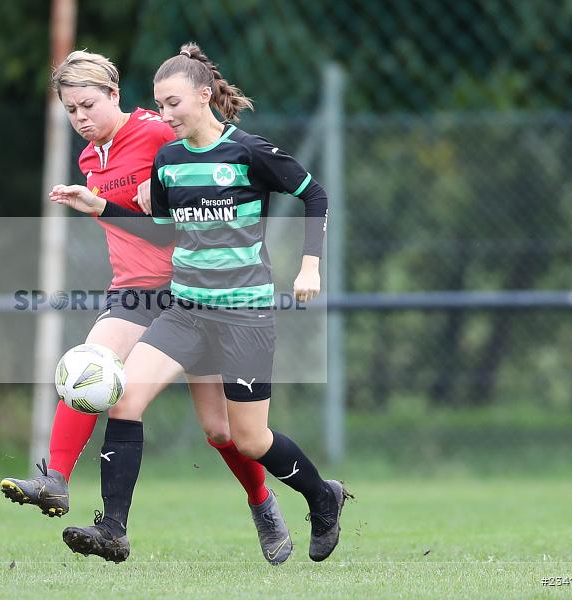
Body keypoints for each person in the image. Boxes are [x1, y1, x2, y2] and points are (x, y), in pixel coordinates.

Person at [51, 43, 349, 564]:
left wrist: (310, 265)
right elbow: (158, 231)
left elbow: (314, 194)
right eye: (159, 106)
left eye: (172, 104)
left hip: (244, 316)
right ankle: (113, 530)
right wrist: (100, 205)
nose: (164, 116)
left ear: (204, 96)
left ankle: (322, 496)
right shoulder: (168, 160)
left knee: (247, 439)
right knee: (123, 399)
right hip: (185, 311)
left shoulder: (248, 151)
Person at [0, 50, 294, 565]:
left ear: (115, 94)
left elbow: (207, 166)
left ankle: (262, 502)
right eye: (71, 110)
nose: (81, 118)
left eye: (89, 104)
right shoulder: (90, 160)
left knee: (221, 430)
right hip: (133, 291)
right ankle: (56, 481)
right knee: (89, 366)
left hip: (192, 289)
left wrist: (164, 196)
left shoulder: (159, 133)